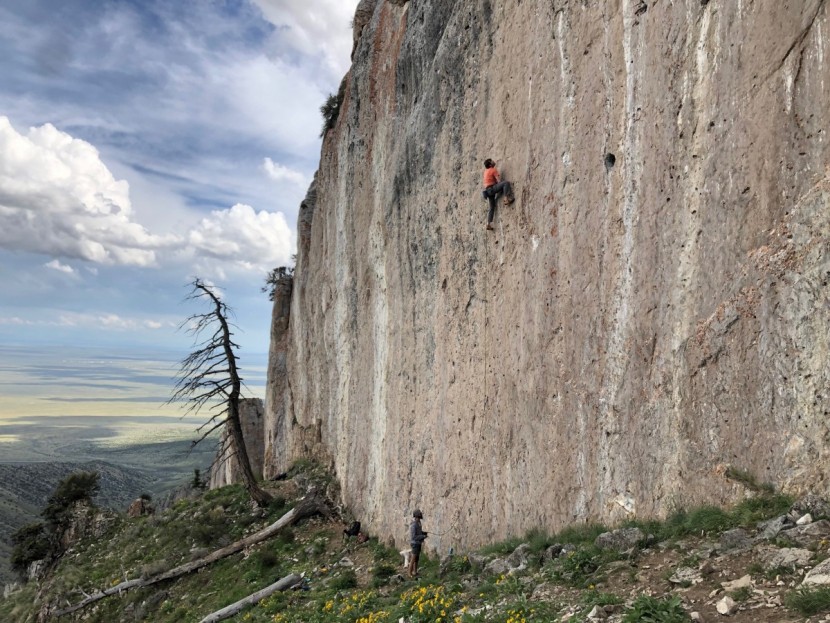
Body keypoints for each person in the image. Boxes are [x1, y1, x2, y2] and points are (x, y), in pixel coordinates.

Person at [482, 158, 514, 231]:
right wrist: (500, 187)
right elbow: (499, 181)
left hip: (487, 191)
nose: (494, 161)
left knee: (491, 208)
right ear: (490, 164)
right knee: (506, 183)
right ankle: (506, 198)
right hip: (492, 189)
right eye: (492, 161)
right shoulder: (493, 170)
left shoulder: (486, 171)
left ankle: (488, 224)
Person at [408, 509, 428, 577]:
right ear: (416, 517)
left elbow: (419, 533)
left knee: (416, 559)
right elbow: (414, 536)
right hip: (415, 544)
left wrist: (423, 533)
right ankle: (409, 573)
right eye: (418, 517)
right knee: (413, 558)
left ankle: (415, 572)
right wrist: (422, 536)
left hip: (418, 543)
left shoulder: (419, 524)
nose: (419, 519)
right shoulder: (413, 525)